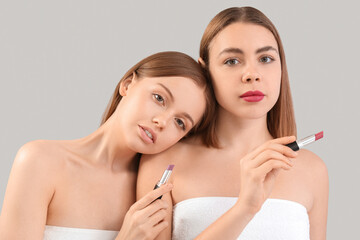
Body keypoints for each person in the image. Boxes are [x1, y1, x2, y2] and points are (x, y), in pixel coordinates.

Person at [137, 7, 329, 240]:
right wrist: (245, 208)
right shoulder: (165, 163)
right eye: (232, 61)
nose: (252, 74)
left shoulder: (312, 170)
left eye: (266, 59)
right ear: (205, 70)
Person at [0, 51, 216, 240]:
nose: (162, 122)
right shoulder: (41, 161)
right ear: (128, 84)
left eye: (180, 123)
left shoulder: (156, 195)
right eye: (159, 98)